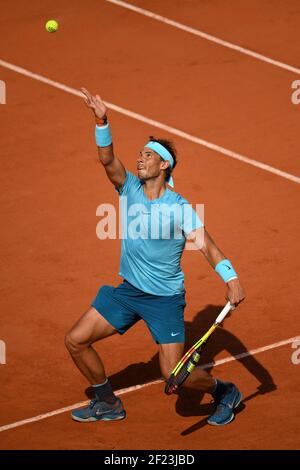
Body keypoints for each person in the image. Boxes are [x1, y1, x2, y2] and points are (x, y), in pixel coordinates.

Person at [65, 88, 246, 426]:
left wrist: (231, 277)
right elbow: (107, 159)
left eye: (148, 155)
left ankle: (224, 391)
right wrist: (101, 120)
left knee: (176, 377)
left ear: (164, 165)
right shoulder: (128, 188)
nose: (140, 159)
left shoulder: (179, 207)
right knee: (75, 341)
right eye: (139, 154)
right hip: (128, 292)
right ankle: (107, 402)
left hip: (164, 300)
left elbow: (206, 245)